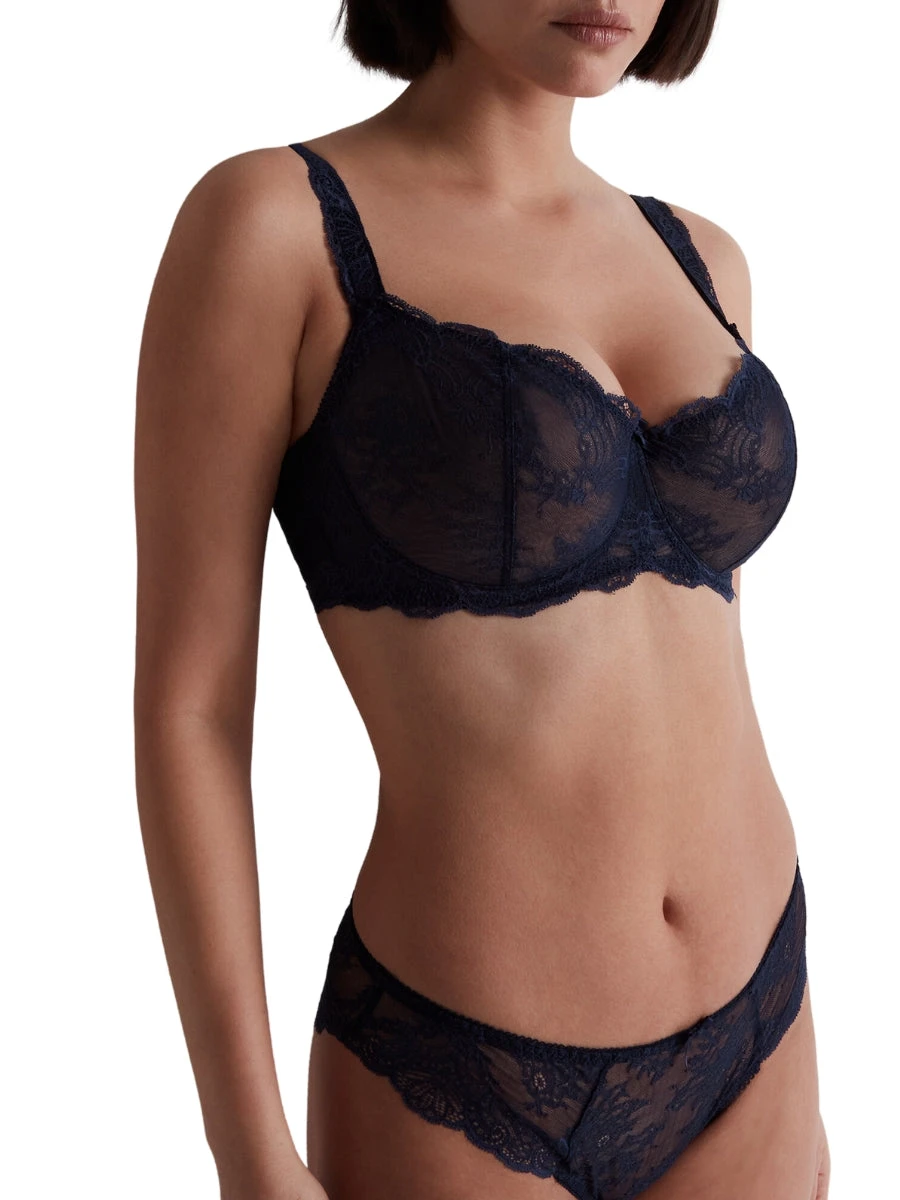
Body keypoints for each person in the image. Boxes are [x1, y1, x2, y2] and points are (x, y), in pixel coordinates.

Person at [133, 1, 831, 1197]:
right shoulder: (276, 224)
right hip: (462, 1058)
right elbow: (188, 711)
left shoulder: (701, 258)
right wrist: (248, 1154)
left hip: (760, 1019)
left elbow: (692, 658)